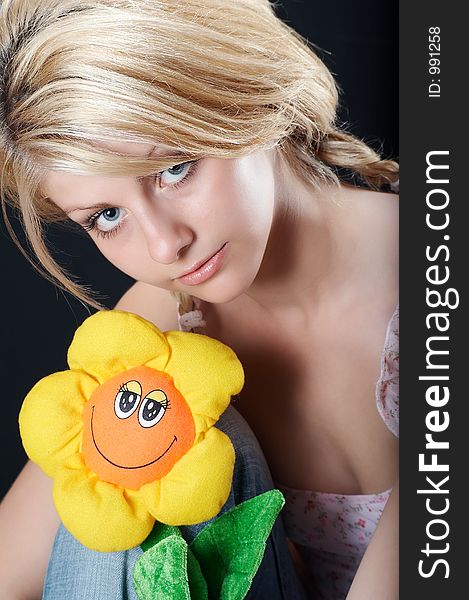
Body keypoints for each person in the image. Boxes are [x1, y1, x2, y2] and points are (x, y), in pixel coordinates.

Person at [0, 0, 399, 598]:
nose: (166, 246)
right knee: (119, 459)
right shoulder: (164, 324)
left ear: (245, 94)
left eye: (176, 168)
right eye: (107, 216)